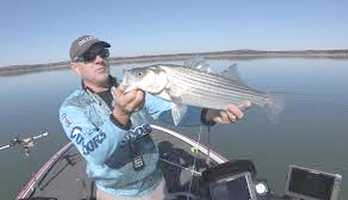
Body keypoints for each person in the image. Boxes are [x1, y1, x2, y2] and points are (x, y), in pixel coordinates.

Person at [59, 35, 251, 200]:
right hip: (116, 194)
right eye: (89, 56)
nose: (99, 59)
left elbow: (167, 111)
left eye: (103, 53)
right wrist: (121, 115)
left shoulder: (134, 87)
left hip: (156, 184)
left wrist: (210, 114)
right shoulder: (73, 108)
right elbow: (95, 153)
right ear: (75, 67)